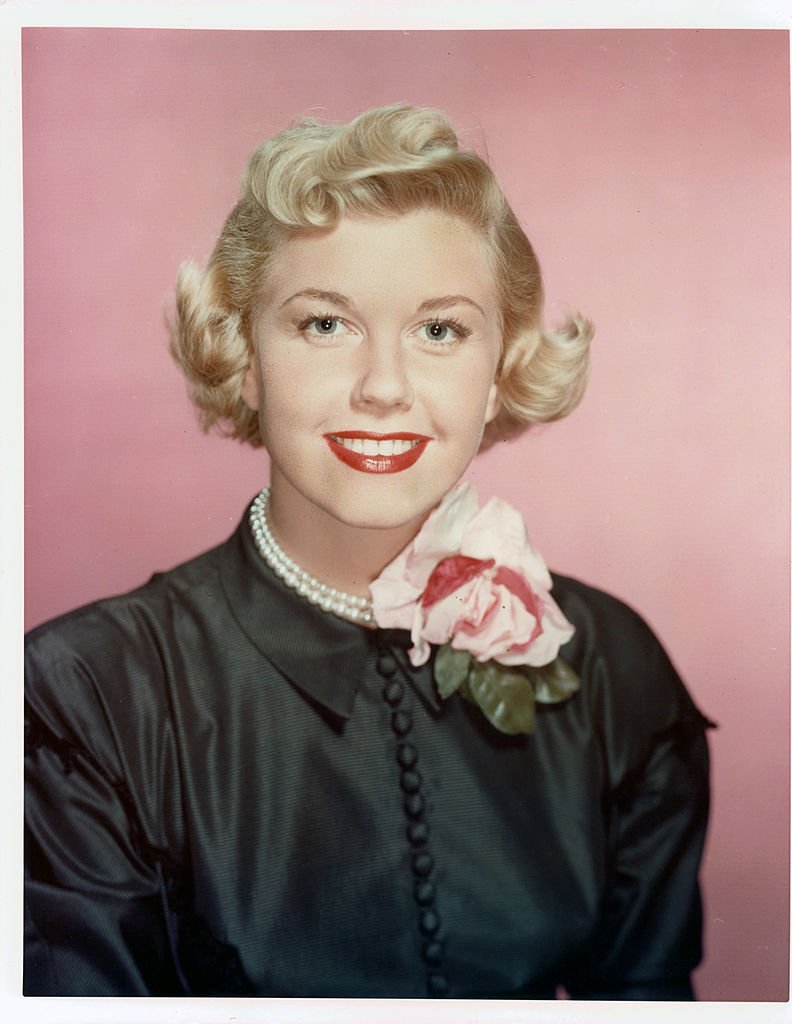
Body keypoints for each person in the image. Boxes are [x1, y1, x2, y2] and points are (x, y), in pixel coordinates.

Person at [24, 104, 711, 999]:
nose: (383, 388)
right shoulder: (88, 695)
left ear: (500, 362)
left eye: (440, 331)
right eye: (323, 324)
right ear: (243, 353)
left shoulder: (612, 665)